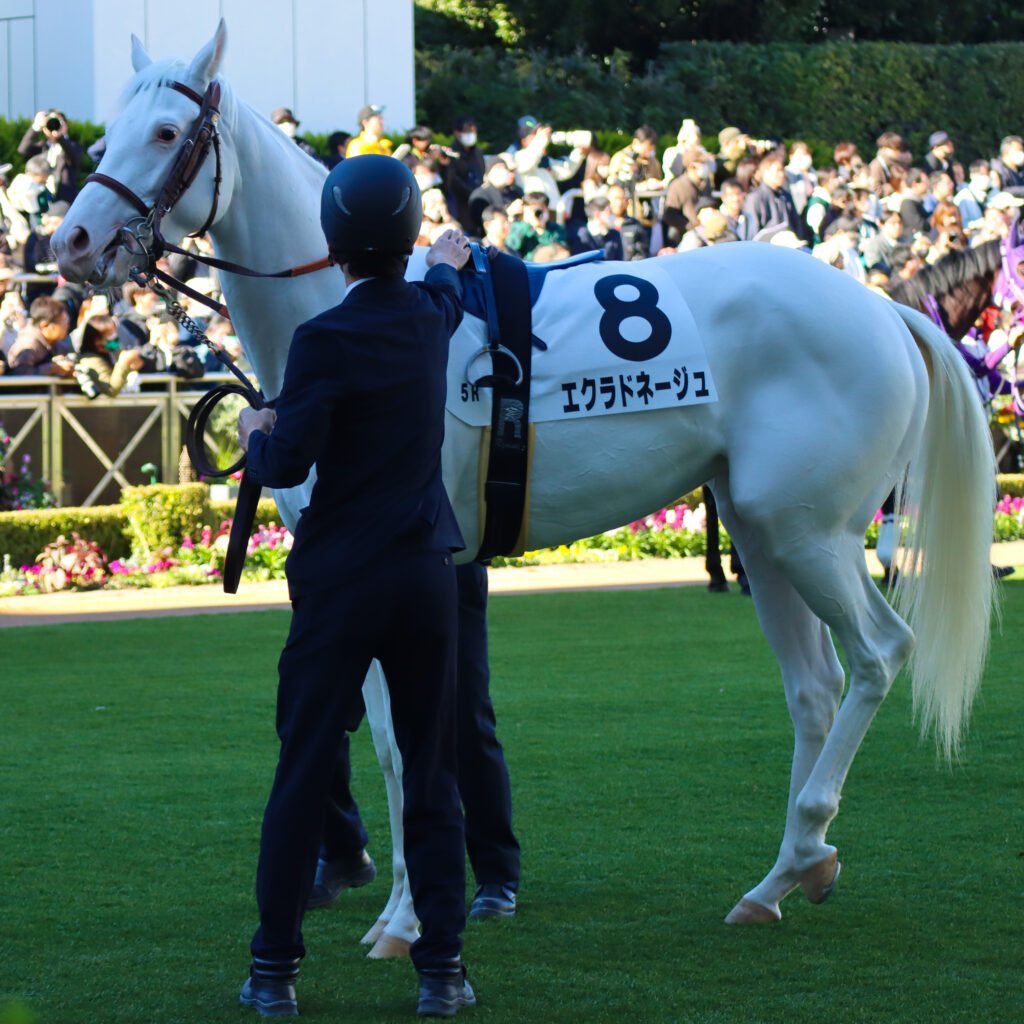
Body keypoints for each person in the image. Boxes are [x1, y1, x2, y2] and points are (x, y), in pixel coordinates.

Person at [235, 154, 474, 1019]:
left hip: (340, 580)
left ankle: (273, 971)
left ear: (333, 244)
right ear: (407, 240)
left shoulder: (322, 340)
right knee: (431, 773)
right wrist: (447, 262)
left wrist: (253, 429)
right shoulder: (427, 318)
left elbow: (286, 461)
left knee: (302, 769)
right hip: (421, 578)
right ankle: (441, 971)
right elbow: (445, 293)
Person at [510, 116, 586, 209]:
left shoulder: (543, 158)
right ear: (524, 141)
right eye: (535, 135)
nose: (538, 137)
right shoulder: (517, 156)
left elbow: (564, 172)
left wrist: (579, 152)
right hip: (534, 210)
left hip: (552, 209)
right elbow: (529, 161)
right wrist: (541, 139)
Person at [18, 109, 83, 203]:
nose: (54, 126)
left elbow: (74, 156)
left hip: (66, 201)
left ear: (66, 124)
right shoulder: (42, 146)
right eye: (50, 123)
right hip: (42, 199)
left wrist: (60, 137)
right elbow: (23, 150)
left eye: (58, 122)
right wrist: (36, 127)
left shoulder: (74, 146)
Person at [72, 313, 144, 398]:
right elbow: (111, 390)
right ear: (96, 340)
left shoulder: (113, 352)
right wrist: (123, 363)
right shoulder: (91, 360)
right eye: (111, 336)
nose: (115, 339)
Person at [743, 153, 809, 243]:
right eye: (778, 171)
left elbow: (796, 224)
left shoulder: (786, 195)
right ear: (766, 172)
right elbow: (752, 233)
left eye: (782, 171)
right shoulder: (755, 198)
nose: (781, 174)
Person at [7, 295, 74, 376]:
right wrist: (52, 368)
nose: (67, 326)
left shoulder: (56, 343)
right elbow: (19, 375)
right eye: (62, 323)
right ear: (44, 326)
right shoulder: (28, 345)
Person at [466, 155, 522, 238]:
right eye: (498, 168)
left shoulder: (515, 192)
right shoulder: (480, 194)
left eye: (505, 168)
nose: (502, 171)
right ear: (489, 173)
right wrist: (507, 212)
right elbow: (479, 219)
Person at [445, 116, 485, 226]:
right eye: (467, 131)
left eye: (473, 131)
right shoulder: (451, 152)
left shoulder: (477, 151)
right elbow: (452, 180)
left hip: (478, 199)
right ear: (457, 132)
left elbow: (481, 172)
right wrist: (471, 193)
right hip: (460, 203)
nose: (471, 134)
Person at [506, 191, 565, 259]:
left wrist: (541, 229)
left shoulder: (556, 229)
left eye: (540, 210)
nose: (537, 214)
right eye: (534, 210)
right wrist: (527, 223)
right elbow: (512, 246)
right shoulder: (518, 227)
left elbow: (559, 248)